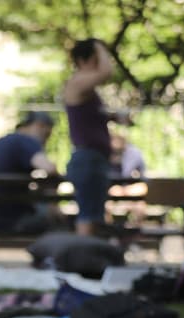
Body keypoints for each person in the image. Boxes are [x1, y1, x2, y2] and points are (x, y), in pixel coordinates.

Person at [63, 39, 125, 236]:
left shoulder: (86, 90)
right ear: (84, 60)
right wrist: (99, 46)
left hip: (95, 159)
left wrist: (114, 117)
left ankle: (88, 252)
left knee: (95, 216)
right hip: (87, 159)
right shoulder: (77, 82)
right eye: (97, 59)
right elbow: (106, 73)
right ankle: (82, 252)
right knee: (88, 216)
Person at [0, 111, 60, 234]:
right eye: (47, 134)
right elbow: (49, 168)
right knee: (55, 223)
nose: (46, 140)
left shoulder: (4, 140)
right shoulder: (26, 141)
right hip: (11, 219)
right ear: (39, 125)